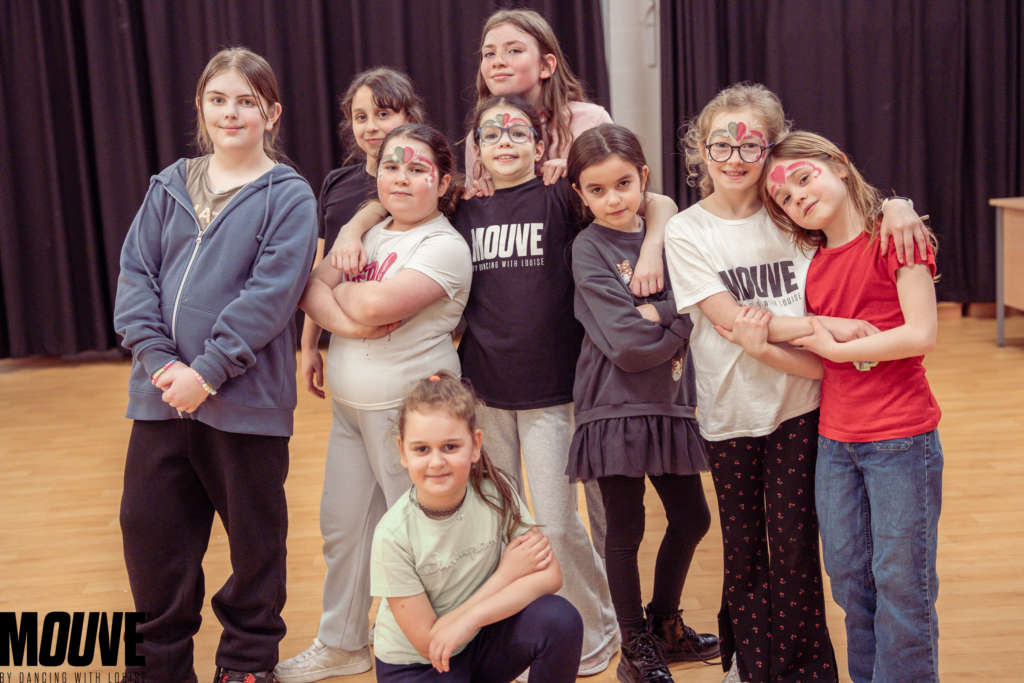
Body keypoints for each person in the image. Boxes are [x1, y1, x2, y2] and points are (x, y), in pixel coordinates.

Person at [663, 82, 929, 683]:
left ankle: (806, 669)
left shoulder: (794, 219)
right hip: (729, 412)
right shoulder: (686, 230)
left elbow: (852, 225)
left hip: (805, 405)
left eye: (749, 146)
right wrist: (825, 327)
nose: (734, 158)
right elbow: (728, 319)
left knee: (796, 548)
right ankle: (750, 664)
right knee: (744, 549)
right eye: (720, 145)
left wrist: (897, 204)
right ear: (701, 150)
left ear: (771, 149)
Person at [452, 94, 680, 675]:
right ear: (475, 149)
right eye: (491, 134)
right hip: (484, 391)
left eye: (518, 132)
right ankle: (519, 631)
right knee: (502, 522)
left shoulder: (561, 195)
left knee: (556, 523)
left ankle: (596, 633)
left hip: (554, 390)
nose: (505, 142)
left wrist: (654, 246)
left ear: (539, 143)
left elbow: (654, 200)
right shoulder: (464, 206)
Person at [113, 47, 318, 683]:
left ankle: (247, 664)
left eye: (246, 101)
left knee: (256, 545)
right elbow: (136, 278)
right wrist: (160, 363)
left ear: (271, 114)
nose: (231, 113)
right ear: (201, 107)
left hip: (243, 404)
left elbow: (270, 296)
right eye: (218, 99)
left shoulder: (289, 197)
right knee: (151, 539)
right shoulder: (167, 185)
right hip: (161, 397)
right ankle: (159, 669)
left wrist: (206, 373)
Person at [279, 123, 472, 681]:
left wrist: (342, 299)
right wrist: (351, 322)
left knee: (419, 535)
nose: (401, 178)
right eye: (391, 166)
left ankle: (436, 648)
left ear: (442, 181)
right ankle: (342, 642)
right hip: (349, 411)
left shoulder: (444, 245)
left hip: (408, 419)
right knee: (344, 529)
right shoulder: (368, 233)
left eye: (417, 169)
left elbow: (373, 303)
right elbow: (307, 288)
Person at [762, 131, 942, 683]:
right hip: (836, 445)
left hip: (901, 440)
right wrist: (764, 347)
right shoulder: (814, 266)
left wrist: (837, 346)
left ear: (839, 165)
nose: (797, 196)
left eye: (803, 178)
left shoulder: (896, 236)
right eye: (785, 197)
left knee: (901, 585)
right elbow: (823, 361)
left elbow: (921, 334)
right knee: (849, 582)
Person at [565, 124, 720, 683]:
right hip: (614, 406)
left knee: (693, 517)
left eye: (623, 184)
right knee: (625, 530)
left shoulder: (671, 236)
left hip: (671, 402)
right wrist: (683, 317)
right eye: (597, 190)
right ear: (580, 194)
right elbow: (628, 346)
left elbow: (710, 296)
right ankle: (635, 647)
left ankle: (664, 625)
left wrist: (663, 313)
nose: (613, 199)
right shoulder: (588, 248)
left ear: (643, 179)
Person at [371, 371, 584, 683]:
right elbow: (430, 644)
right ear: (403, 451)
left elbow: (550, 576)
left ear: (475, 445)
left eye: (450, 446)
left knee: (560, 620)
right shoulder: (392, 535)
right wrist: (505, 576)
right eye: (421, 449)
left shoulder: (495, 493)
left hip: (476, 640)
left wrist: (471, 619)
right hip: (420, 665)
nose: (436, 462)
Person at [299, 67, 427, 401]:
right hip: (350, 349)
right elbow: (321, 265)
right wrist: (309, 345)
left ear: (408, 117)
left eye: (382, 114)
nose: (370, 126)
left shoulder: (423, 183)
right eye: (360, 117)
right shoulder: (336, 183)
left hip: (406, 344)